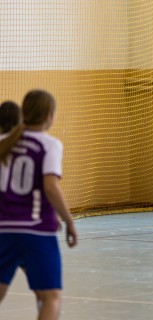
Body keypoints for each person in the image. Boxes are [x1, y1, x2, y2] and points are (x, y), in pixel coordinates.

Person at [0, 89, 78, 319]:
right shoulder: (49, 144)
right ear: (49, 115)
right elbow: (51, 187)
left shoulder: (5, 143)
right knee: (50, 297)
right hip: (36, 230)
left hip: (3, 229)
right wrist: (69, 221)